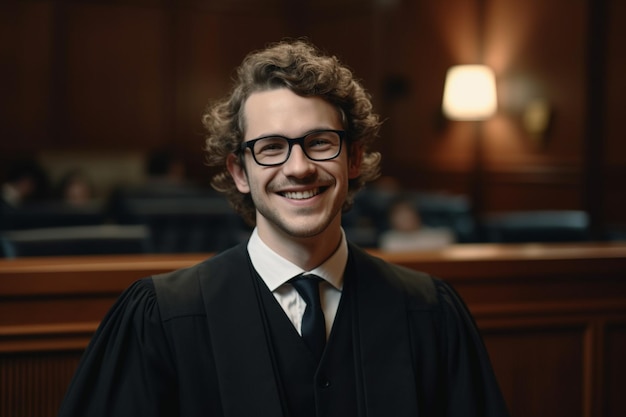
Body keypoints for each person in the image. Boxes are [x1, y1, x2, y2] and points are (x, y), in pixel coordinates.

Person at [58, 40, 509, 416]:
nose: (299, 168)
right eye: (271, 147)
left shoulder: (429, 313)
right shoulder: (163, 317)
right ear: (239, 171)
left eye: (319, 143)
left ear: (352, 159)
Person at [378, 195, 456, 252]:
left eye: (407, 213)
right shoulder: (389, 239)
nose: (404, 218)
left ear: (417, 214)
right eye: (399, 215)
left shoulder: (442, 236)